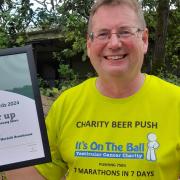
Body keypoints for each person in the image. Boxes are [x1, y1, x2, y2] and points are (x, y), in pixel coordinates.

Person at [6, 0, 180, 179]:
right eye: (103, 34)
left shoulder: (176, 103)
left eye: (125, 32)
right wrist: (7, 140)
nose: (114, 43)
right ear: (89, 45)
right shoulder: (66, 104)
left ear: (143, 39)